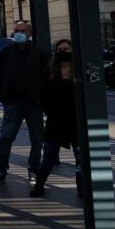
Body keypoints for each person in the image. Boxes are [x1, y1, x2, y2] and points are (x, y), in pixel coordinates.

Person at [0, 21, 50, 185]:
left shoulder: (40, 54)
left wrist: (41, 99)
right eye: (17, 30)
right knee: (6, 137)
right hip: (13, 102)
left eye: (22, 31)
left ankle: (34, 169)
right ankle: (1, 169)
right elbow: (0, 76)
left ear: (29, 33)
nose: (19, 33)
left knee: (37, 138)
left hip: (34, 104)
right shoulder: (6, 53)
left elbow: (46, 77)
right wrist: (4, 96)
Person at [31, 39, 79, 199]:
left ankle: (82, 186)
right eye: (60, 49)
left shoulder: (77, 71)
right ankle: (39, 184)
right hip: (55, 120)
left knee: (80, 156)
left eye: (66, 48)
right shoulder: (50, 71)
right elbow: (41, 93)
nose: (63, 51)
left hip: (75, 120)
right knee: (49, 155)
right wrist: (47, 108)